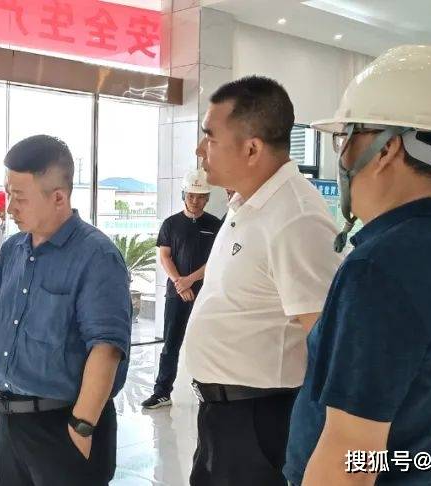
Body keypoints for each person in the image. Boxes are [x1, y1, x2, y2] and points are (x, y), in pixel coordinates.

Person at [285, 45, 431, 486]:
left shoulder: (381, 267)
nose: (342, 157)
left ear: (387, 148)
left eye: (346, 138)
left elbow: (350, 465)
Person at [0, 134, 132, 485]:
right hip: (11, 422)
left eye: (20, 198)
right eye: (9, 194)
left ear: (58, 197)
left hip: (64, 424)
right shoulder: (13, 250)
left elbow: (107, 349)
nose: (10, 207)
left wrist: (82, 427)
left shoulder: (96, 256)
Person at [183, 76, 343, 486]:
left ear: (252, 148)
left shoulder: (296, 219)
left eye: (210, 137)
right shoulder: (247, 204)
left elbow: (329, 345)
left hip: (259, 421)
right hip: (223, 415)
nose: (200, 149)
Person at [141, 169, 221, 409]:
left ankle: (209, 393)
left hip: (205, 294)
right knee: (171, 344)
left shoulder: (215, 225)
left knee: (205, 343)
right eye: (191, 196)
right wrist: (179, 282)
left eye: (200, 197)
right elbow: (165, 256)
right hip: (176, 293)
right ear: (184, 195)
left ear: (207, 198)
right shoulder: (171, 223)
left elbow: (217, 259)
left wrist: (190, 280)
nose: (195, 201)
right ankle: (162, 392)